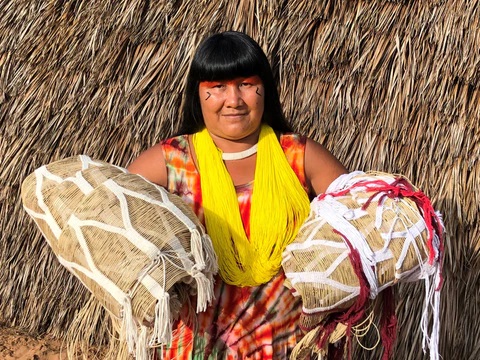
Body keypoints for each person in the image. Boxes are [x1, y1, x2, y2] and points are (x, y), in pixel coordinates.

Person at [127, 31, 347, 359]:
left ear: (264, 90)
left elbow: (359, 225)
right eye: (217, 87)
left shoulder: (301, 158)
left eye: (245, 83)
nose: (234, 99)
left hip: (290, 346)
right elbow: (114, 229)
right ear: (198, 95)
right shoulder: (169, 163)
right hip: (195, 349)